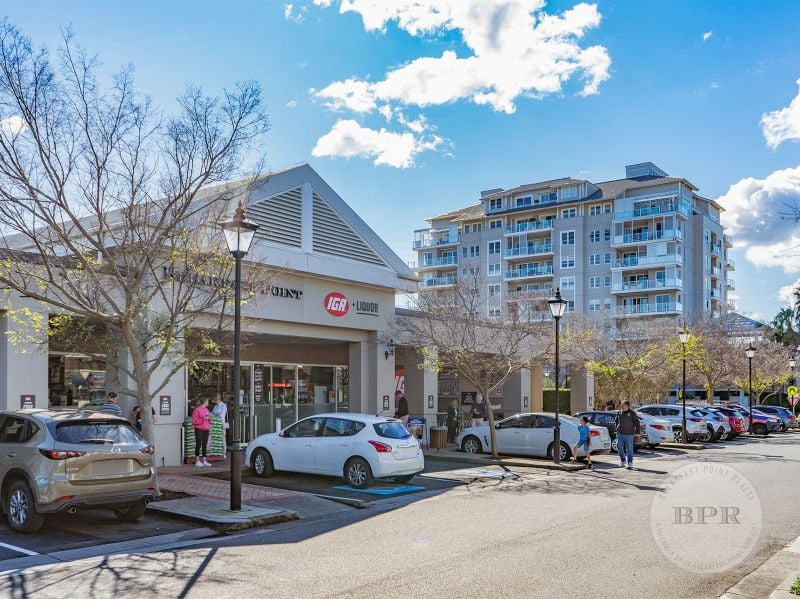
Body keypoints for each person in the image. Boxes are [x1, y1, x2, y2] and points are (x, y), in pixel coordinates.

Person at [615, 400, 641, 469]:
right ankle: (623, 460)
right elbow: (616, 420)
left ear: (628, 406)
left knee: (629, 449)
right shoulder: (619, 412)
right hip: (620, 433)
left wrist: (638, 432)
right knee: (618, 446)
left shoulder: (632, 413)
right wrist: (616, 427)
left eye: (624, 405)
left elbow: (637, 423)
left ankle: (630, 462)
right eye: (621, 405)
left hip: (629, 434)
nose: (622, 406)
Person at [192, 397, 212, 467]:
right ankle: (197, 461)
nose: (208, 402)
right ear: (204, 402)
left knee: (204, 445)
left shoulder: (207, 410)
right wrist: (203, 418)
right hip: (199, 429)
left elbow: (209, 420)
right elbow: (194, 421)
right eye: (207, 401)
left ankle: (204, 460)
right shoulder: (197, 410)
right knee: (198, 444)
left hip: (206, 428)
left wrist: (209, 418)